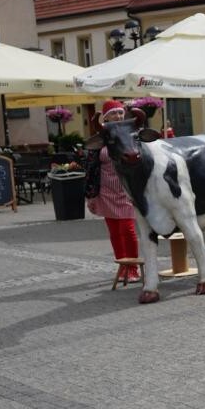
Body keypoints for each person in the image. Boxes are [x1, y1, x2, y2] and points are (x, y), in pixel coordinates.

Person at [86, 100, 140, 280]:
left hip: (125, 189)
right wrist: (91, 195)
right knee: (115, 232)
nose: (118, 116)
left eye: (120, 113)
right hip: (106, 191)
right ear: (106, 116)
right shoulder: (100, 136)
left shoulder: (130, 133)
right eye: (114, 113)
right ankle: (122, 266)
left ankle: (133, 268)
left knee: (128, 229)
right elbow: (91, 167)